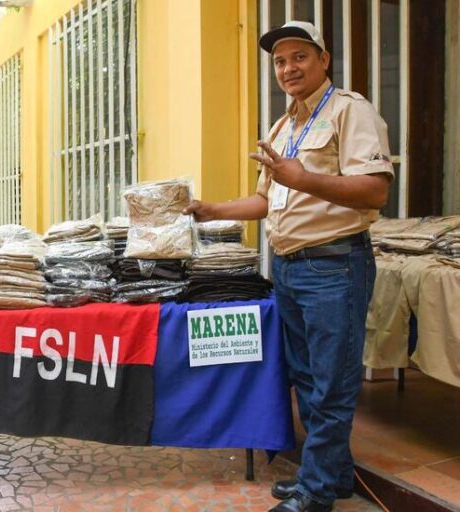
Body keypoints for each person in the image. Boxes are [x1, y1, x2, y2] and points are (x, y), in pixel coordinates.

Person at [184, 21, 393, 512]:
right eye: (280, 61)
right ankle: (335, 475)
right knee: (306, 379)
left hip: (335, 265)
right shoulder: (284, 127)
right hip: (289, 268)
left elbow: (375, 189)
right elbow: (264, 201)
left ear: (323, 59)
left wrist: (302, 177)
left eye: (299, 56)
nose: (288, 68)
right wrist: (209, 210)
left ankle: (315, 492)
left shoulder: (349, 110)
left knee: (332, 384)